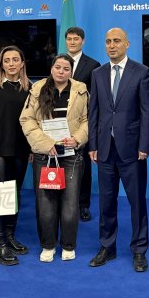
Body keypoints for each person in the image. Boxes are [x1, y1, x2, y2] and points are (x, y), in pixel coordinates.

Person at [88, 27, 149, 272]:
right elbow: (93, 111)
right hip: (105, 149)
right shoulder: (97, 73)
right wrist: (93, 144)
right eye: (108, 41)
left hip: (132, 149)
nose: (112, 45)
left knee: (137, 202)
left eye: (117, 41)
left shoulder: (142, 72)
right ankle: (107, 246)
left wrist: (145, 145)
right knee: (106, 201)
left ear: (127, 44)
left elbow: (147, 112)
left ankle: (139, 250)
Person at [19, 54, 88, 262]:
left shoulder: (81, 89)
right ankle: (48, 245)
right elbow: (27, 119)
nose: (61, 72)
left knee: (70, 203)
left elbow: (87, 119)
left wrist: (77, 139)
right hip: (45, 155)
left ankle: (68, 245)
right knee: (45, 203)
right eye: (58, 67)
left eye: (66, 69)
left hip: (71, 155)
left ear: (71, 71)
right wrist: (46, 144)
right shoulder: (37, 89)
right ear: (52, 68)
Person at [0, 45, 32, 265]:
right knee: (1, 197)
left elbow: (35, 122)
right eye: (7, 60)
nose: (11, 64)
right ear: (1, 64)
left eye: (15, 59)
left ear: (22, 63)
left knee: (15, 194)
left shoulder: (30, 89)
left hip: (21, 151)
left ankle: (10, 236)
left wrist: (32, 149)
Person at [64, 26, 100, 222]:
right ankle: (63, 203)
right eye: (69, 39)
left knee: (83, 166)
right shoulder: (58, 62)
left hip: (83, 123)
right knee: (61, 164)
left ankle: (83, 205)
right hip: (60, 123)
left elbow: (95, 98)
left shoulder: (93, 65)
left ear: (83, 41)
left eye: (76, 39)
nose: (72, 42)